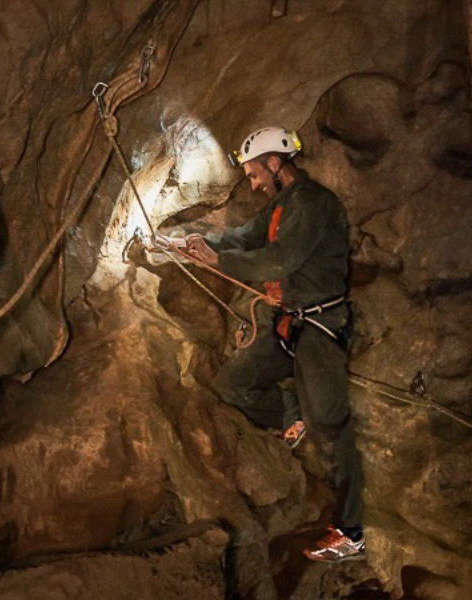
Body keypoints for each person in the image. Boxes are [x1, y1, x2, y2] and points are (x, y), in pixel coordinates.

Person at [186, 126, 365, 562]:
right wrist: (189, 243)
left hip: (320, 327)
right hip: (289, 325)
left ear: (274, 162)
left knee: (331, 425)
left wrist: (220, 261)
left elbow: (282, 259)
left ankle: (352, 533)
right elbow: (245, 235)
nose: (252, 181)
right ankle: (292, 413)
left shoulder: (313, 203)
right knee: (232, 384)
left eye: (253, 172)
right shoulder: (283, 206)